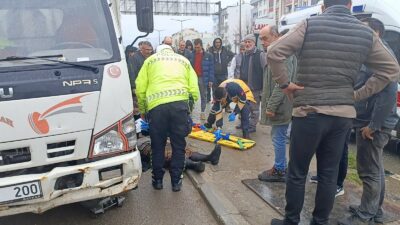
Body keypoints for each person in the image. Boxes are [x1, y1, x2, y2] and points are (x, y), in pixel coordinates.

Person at [267, 0, 399, 224]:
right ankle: (320, 222)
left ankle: (291, 222)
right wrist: (357, 94)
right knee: (329, 174)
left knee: (298, 172)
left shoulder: (309, 25)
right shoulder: (365, 32)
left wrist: (285, 84)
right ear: (349, 5)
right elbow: (391, 69)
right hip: (342, 117)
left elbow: (274, 52)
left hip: (309, 112)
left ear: (322, 7)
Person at [338, 17, 399, 225]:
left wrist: (373, 126)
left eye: (363, 31)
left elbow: (388, 95)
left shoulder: (382, 57)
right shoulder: (372, 54)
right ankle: (374, 210)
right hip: (369, 121)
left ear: (376, 33)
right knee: (376, 168)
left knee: (369, 171)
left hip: (374, 125)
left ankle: (365, 216)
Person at [135, 44, 200, 192]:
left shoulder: (150, 61)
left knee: (157, 145)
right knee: (179, 145)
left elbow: (140, 87)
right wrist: (188, 108)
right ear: (172, 51)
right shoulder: (183, 60)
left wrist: (144, 110)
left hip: (157, 108)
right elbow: (194, 88)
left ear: (158, 51)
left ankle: (157, 180)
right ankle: (176, 181)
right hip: (179, 106)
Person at [258, 25, 297, 183]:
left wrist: (271, 106)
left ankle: (280, 170)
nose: (262, 42)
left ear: (275, 36)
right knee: (279, 136)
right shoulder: (277, 52)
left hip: (281, 105)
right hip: (281, 104)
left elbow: (282, 84)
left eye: (265, 38)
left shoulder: (283, 53)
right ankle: (281, 166)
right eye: (261, 39)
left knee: (279, 137)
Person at [137, 137, 222, 173]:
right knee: (171, 155)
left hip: (151, 145)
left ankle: (209, 158)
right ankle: (195, 164)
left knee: (181, 151)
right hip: (149, 148)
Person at [240, 34, 263, 133]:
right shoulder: (245, 55)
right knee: (245, 107)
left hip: (256, 88)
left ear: (254, 43)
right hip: (245, 88)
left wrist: (263, 89)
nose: (247, 44)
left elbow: (265, 72)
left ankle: (252, 126)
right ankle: (245, 124)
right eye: (246, 42)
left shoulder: (260, 54)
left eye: (249, 42)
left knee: (254, 109)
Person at [191, 38, 214, 120]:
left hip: (202, 78)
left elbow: (211, 68)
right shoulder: (191, 54)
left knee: (203, 95)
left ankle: (203, 112)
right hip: (193, 77)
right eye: (195, 47)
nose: (196, 49)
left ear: (201, 46)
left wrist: (211, 80)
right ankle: (190, 111)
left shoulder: (208, 55)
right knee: (191, 95)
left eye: (198, 47)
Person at [208, 38, 235, 102]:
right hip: (214, 73)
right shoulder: (210, 50)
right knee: (215, 89)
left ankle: (226, 105)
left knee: (225, 89)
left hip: (223, 73)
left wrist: (226, 61)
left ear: (221, 43)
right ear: (214, 43)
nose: (217, 44)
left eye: (219, 42)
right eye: (216, 42)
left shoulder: (224, 49)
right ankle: (216, 104)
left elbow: (232, 55)